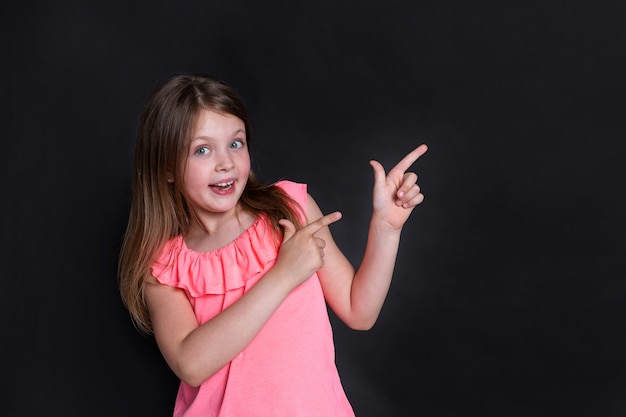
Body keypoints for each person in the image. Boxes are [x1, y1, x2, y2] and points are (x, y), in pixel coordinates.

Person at [118, 73, 428, 417]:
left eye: (235, 143)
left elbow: (360, 311)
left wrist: (386, 227)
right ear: (166, 169)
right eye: (202, 149)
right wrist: (284, 275)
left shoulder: (290, 208)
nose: (225, 162)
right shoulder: (165, 266)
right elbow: (190, 363)